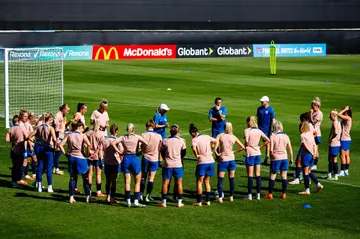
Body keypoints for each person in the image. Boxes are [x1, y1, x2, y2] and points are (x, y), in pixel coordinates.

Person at [111, 123, 148, 208]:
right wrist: (142, 150)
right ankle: (136, 201)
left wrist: (119, 152)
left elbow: (113, 143)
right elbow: (146, 143)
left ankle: (128, 201)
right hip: (135, 158)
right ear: (133, 129)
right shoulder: (137, 137)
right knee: (137, 181)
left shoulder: (123, 137)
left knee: (127, 181)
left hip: (126, 158)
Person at [58, 120, 93, 203]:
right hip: (80, 158)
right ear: (80, 127)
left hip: (71, 157)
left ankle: (71, 197)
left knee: (73, 178)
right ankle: (88, 196)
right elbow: (89, 145)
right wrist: (87, 154)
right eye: (83, 128)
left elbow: (60, 145)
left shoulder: (69, 134)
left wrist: (66, 154)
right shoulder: (82, 135)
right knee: (85, 178)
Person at [214, 122, 244, 203]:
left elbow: (215, 146)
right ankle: (231, 196)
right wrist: (234, 151)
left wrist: (217, 153)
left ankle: (220, 197)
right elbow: (242, 147)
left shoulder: (220, 135)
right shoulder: (233, 137)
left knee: (220, 179)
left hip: (223, 159)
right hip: (232, 160)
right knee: (231, 179)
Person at [28, 113, 57, 193]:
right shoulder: (51, 128)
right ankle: (49, 187)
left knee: (40, 166)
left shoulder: (39, 127)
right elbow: (54, 139)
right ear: (50, 119)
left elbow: (29, 136)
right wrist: (55, 147)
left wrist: (33, 141)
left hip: (40, 148)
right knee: (48, 168)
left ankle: (39, 186)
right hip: (48, 149)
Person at [158, 125, 186, 208]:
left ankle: (164, 202)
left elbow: (161, 151)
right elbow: (184, 152)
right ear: (177, 132)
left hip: (168, 164)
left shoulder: (165, 140)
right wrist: (178, 157)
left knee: (165, 183)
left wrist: (165, 158)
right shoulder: (181, 141)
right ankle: (179, 202)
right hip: (178, 164)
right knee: (179, 183)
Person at [189, 123, 217, 206]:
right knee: (207, 181)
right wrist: (213, 149)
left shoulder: (195, 140)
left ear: (193, 133)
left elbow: (194, 148)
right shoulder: (206, 136)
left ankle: (199, 201)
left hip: (202, 162)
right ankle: (208, 201)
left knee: (199, 181)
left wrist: (197, 155)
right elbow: (215, 141)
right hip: (210, 161)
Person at [264, 120, 293, 200]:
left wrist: (270, 156)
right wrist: (291, 158)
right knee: (284, 176)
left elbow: (271, 149)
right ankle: (283, 193)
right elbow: (290, 148)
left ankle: (270, 194)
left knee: (272, 176)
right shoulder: (286, 136)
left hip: (276, 158)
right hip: (284, 158)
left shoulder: (273, 136)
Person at [243, 116, 270, 200]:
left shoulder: (247, 130)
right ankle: (258, 194)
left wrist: (246, 147)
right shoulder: (259, 131)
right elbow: (268, 140)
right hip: (257, 153)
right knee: (258, 174)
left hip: (250, 153)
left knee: (250, 175)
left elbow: (246, 142)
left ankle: (250, 195)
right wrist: (259, 146)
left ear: (248, 122)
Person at [140, 120, 162, 202]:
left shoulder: (143, 135)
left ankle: (141, 194)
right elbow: (160, 149)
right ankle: (148, 195)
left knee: (143, 177)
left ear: (146, 126)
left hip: (145, 157)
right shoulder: (159, 136)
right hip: (155, 158)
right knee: (151, 178)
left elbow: (140, 147)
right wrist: (160, 159)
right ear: (154, 126)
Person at [298, 122, 323, 195]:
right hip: (312, 155)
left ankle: (307, 190)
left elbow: (305, 146)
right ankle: (318, 184)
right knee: (309, 171)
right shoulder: (310, 134)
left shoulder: (302, 135)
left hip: (306, 155)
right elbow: (314, 145)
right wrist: (314, 153)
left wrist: (311, 153)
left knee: (305, 172)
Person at [289, 112, 314, 185]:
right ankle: (305, 178)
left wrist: (307, 140)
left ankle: (297, 178)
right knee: (304, 164)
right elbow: (314, 134)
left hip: (305, 145)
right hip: (309, 145)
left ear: (303, 119)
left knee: (299, 162)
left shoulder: (305, 125)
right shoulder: (310, 125)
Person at [101, 124, 122, 204]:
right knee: (114, 181)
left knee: (108, 180)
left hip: (107, 162)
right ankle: (112, 197)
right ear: (116, 131)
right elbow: (121, 151)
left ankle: (108, 196)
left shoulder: (104, 139)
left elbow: (101, 150)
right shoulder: (117, 140)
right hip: (115, 162)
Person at [5, 115, 28, 187]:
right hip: (20, 150)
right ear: (18, 121)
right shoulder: (21, 129)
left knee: (14, 166)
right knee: (19, 166)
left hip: (13, 150)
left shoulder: (10, 129)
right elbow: (27, 137)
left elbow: (7, 140)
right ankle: (17, 180)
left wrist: (13, 140)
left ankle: (13, 181)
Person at [86, 118, 106, 197]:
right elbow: (101, 147)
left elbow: (85, 143)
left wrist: (89, 151)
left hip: (90, 156)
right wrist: (97, 153)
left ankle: (89, 191)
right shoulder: (101, 134)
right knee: (98, 174)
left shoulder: (89, 133)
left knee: (90, 174)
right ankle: (98, 191)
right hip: (97, 156)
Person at [256, 96, 275, 165]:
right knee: (256, 142)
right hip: (259, 128)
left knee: (267, 143)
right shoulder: (259, 109)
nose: (261, 102)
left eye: (263, 101)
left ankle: (266, 158)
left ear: (267, 101)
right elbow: (258, 118)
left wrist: (273, 129)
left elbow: (273, 120)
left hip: (267, 129)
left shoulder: (270, 109)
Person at [53, 104, 71, 175]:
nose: (67, 112)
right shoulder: (58, 115)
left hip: (60, 135)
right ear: (63, 109)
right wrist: (57, 138)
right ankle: (55, 169)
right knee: (58, 151)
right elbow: (56, 128)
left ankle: (55, 168)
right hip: (58, 136)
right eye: (67, 110)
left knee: (58, 152)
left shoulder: (62, 116)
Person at [19, 109, 35, 180]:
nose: (26, 117)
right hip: (23, 146)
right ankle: (20, 178)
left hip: (25, 145)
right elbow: (27, 136)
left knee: (26, 160)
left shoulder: (24, 124)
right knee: (25, 161)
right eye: (25, 116)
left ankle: (22, 177)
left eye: (26, 116)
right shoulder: (23, 125)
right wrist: (31, 145)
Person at [337, 106, 353, 176]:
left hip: (344, 139)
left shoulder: (347, 118)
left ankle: (342, 171)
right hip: (347, 139)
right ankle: (346, 170)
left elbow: (338, 114)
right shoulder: (348, 118)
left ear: (346, 112)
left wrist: (344, 109)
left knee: (342, 155)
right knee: (347, 155)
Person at [326, 110, 341, 180]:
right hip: (337, 143)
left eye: (330, 115)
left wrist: (330, 138)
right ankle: (330, 174)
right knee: (331, 159)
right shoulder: (338, 122)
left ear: (334, 116)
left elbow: (335, 132)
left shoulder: (335, 123)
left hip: (334, 144)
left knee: (333, 160)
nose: (329, 117)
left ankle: (334, 175)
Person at [309, 97, 323, 170]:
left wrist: (310, 114)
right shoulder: (314, 112)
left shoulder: (319, 113)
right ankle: (313, 163)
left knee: (315, 149)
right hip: (312, 133)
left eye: (313, 106)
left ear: (317, 106)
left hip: (316, 133)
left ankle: (314, 164)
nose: (311, 107)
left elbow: (313, 122)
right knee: (313, 148)